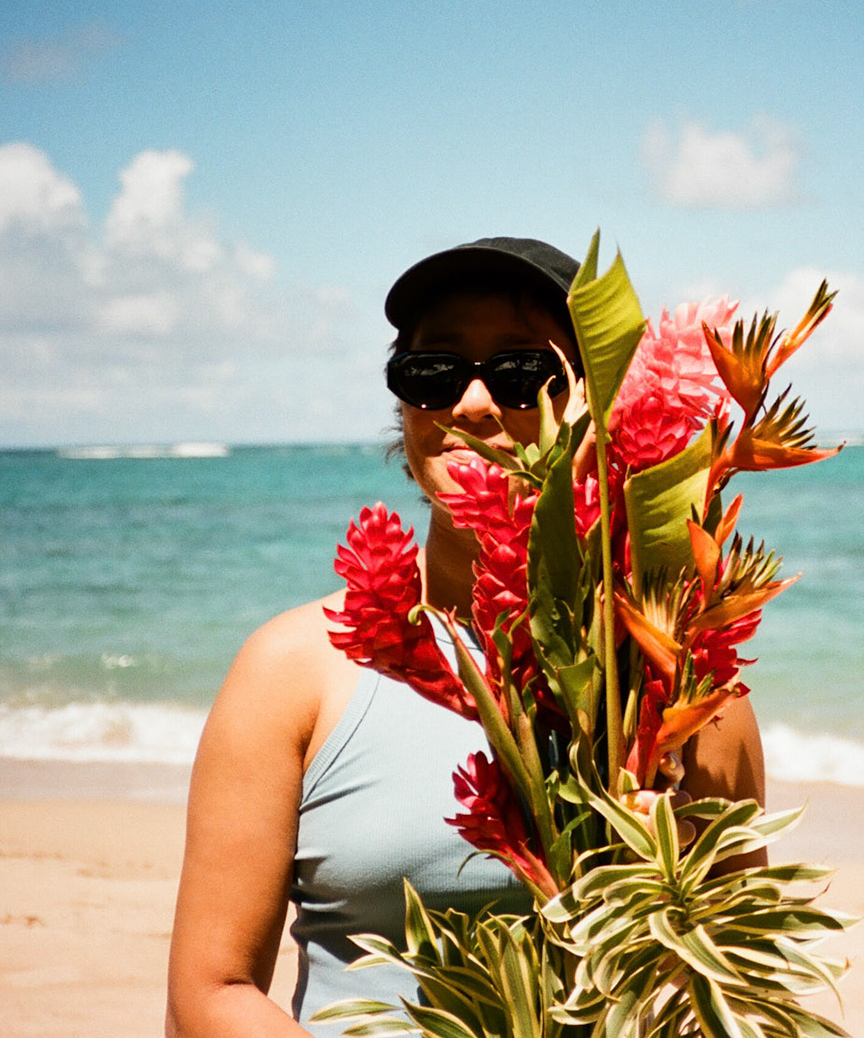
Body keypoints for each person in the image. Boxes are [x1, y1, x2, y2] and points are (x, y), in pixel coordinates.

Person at [165, 237, 766, 1037]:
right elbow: (208, 995)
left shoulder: (681, 686)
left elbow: (738, 992)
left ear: (599, 408)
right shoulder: (293, 671)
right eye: (434, 372)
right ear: (404, 406)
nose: (475, 404)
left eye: (524, 372)